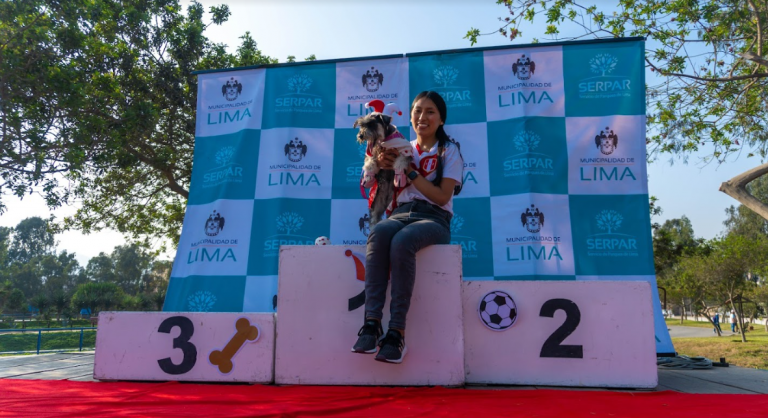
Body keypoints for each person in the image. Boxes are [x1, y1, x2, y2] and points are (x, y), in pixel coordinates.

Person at [351, 91, 464, 364]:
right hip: (400, 213)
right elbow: (371, 185)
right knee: (378, 232)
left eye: (429, 111)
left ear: (441, 119)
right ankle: (371, 323)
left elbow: (441, 197)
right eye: (417, 111)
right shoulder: (397, 144)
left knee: (402, 242)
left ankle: (396, 333)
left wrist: (411, 171)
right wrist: (379, 164)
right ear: (409, 116)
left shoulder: (449, 150)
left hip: (434, 219)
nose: (422, 117)